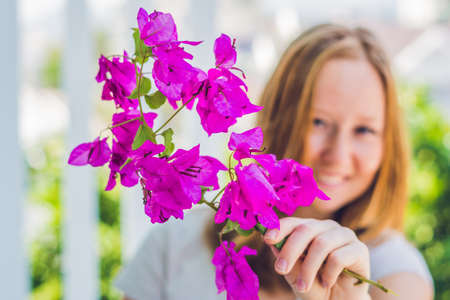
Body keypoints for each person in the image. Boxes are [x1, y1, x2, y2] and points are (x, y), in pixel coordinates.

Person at [114, 24, 434, 300]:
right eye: (318, 122)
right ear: (279, 119)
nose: (338, 154)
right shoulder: (175, 244)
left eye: (364, 129)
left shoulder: (394, 271)